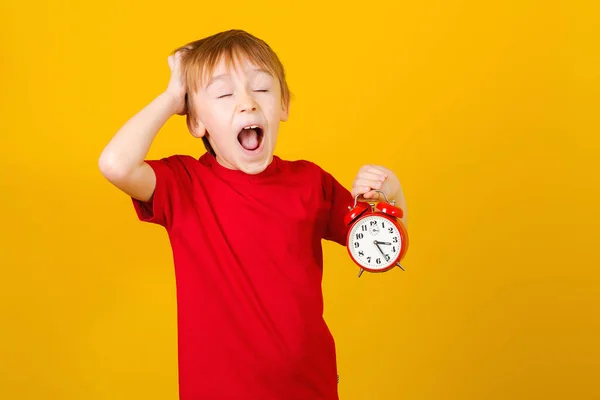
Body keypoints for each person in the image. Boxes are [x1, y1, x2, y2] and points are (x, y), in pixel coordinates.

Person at [98, 29, 407, 400]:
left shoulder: (311, 182)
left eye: (261, 89)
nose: (247, 103)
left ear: (284, 106)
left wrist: (391, 194)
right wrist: (170, 96)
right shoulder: (184, 185)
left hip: (310, 388)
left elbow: (384, 252)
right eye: (225, 94)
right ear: (196, 122)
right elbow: (115, 165)